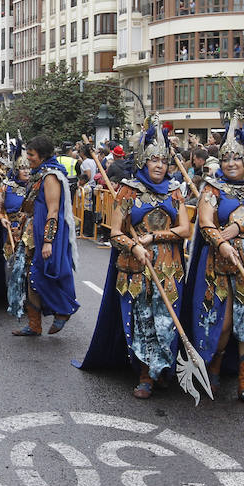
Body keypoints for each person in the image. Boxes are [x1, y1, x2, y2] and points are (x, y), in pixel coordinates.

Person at [77, 121, 191, 398]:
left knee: (165, 322)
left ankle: (161, 368)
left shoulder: (175, 191)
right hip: (135, 268)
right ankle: (144, 374)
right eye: (153, 160)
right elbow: (115, 233)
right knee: (141, 321)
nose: (159, 166)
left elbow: (185, 229)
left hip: (168, 268)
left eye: (163, 161)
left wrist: (153, 238)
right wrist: (133, 246)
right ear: (143, 161)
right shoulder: (128, 192)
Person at [184, 113, 244, 405]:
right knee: (222, 325)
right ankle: (214, 369)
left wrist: (236, 228)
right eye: (226, 159)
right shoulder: (212, 188)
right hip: (220, 263)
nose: (231, 163)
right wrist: (222, 244)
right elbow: (206, 222)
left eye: (237, 158)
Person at [13, 135, 79, 336]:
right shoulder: (39, 173)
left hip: (46, 235)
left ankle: (63, 310)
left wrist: (48, 241)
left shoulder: (50, 176)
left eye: (31, 155)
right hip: (33, 233)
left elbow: (53, 210)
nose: (28, 158)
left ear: (42, 155)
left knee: (39, 276)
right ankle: (34, 325)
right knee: (30, 276)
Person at [0, 137, 33, 324]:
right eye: (22, 168)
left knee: (28, 265)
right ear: (16, 170)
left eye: (28, 167)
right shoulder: (7, 187)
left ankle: (29, 300)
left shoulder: (36, 187)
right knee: (10, 264)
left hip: (30, 232)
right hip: (11, 230)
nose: (26, 171)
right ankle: (12, 298)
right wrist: (2, 218)